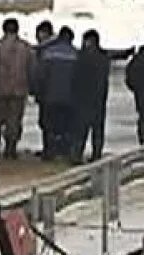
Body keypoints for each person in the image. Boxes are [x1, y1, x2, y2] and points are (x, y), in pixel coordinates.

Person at [0, 18, 34, 160]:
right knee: (14, 121)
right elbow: (32, 70)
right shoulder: (26, 48)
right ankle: (10, 149)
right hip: (19, 90)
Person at [35, 25, 78, 160]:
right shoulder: (76, 54)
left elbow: (40, 75)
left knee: (48, 126)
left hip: (49, 96)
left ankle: (48, 151)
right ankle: (64, 150)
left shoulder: (48, 53)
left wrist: (37, 92)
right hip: (70, 97)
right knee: (66, 126)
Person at [71, 29, 111, 163]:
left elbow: (75, 79)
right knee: (97, 130)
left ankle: (77, 156)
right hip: (99, 99)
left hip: (83, 99)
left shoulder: (81, 58)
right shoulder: (103, 58)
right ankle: (97, 155)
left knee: (80, 130)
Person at [31, 20, 55, 156]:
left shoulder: (44, 51)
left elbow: (39, 73)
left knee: (46, 122)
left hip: (47, 93)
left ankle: (49, 149)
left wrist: (35, 89)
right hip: (52, 92)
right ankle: (52, 149)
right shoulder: (47, 49)